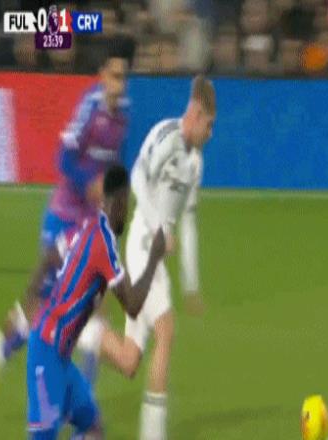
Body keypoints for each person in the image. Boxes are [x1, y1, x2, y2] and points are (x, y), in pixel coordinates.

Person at [0, 43, 130, 392]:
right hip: (65, 215)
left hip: (91, 222)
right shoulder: (90, 108)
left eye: (123, 77)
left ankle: (83, 393)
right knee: (44, 303)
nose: (119, 84)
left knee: (96, 303)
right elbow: (63, 160)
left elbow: (114, 165)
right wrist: (89, 184)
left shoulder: (124, 115)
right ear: (102, 76)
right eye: (114, 76)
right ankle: (4, 343)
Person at [82, 75, 216, 440]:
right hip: (143, 243)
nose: (211, 133)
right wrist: (158, 227)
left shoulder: (195, 163)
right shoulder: (165, 135)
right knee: (166, 330)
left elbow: (188, 222)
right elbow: (139, 179)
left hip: (157, 255)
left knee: (129, 360)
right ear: (196, 113)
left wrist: (191, 284)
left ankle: (86, 332)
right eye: (209, 124)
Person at [26, 165, 166, 439]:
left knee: (93, 427)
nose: (127, 211)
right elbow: (133, 306)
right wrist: (153, 258)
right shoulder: (104, 242)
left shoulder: (88, 226)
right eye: (127, 203)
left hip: (60, 355)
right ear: (120, 200)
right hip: (46, 352)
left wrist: (33, 296)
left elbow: (52, 253)